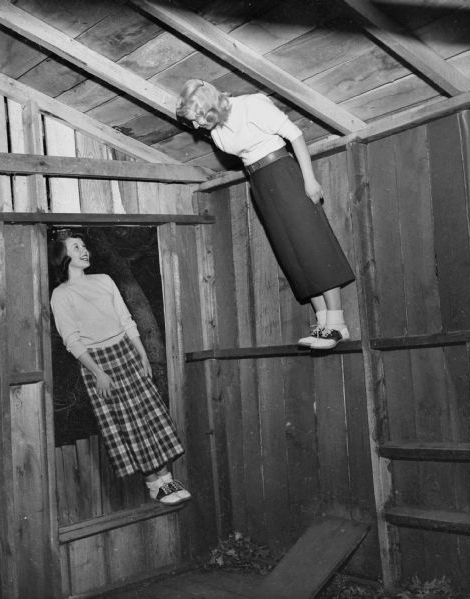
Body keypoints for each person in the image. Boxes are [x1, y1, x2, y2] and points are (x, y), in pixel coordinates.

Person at [176, 80, 355, 350]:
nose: (197, 126)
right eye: (194, 122)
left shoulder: (251, 105)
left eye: (198, 118)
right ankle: (322, 321)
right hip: (259, 182)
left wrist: (309, 181)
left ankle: (338, 325)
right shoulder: (216, 132)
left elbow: (295, 135)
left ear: (207, 106)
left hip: (283, 172)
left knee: (313, 245)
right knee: (291, 252)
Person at [49, 234, 191, 505]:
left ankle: (166, 478)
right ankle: (154, 484)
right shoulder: (61, 294)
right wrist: (97, 373)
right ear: (63, 257)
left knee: (148, 416)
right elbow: (72, 340)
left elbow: (126, 319)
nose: (84, 250)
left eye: (84, 245)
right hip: (99, 363)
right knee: (129, 424)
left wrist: (143, 356)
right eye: (76, 247)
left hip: (126, 352)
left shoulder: (104, 280)